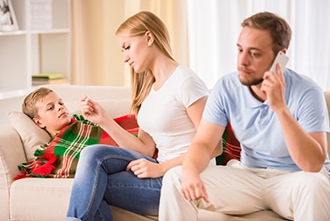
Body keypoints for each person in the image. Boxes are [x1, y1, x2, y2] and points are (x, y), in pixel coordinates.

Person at [159, 11, 330, 221]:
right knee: (176, 177)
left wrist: (280, 109)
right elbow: (204, 143)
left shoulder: (307, 91)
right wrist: (192, 171)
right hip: (248, 176)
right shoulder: (226, 87)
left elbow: (313, 165)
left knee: (315, 184)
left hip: (295, 179)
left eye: (254, 54)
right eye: (240, 50)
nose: (242, 62)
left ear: (281, 56)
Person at [66, 11, 220, 221]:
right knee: (92, 155)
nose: (124, 58)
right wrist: (103, 120)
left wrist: (161, 168)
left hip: (183, 178)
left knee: (91, 188)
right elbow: (145, 148)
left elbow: (214, 147)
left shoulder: (186, 82)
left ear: (149, 38)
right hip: (160, 168)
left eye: (127, 47)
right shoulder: (149, 89)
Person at [17, 87, 119, 179]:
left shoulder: (87, 123)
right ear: (39, 122)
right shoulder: (53, 150)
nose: (60, 107)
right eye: (50, 108)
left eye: (60, 103)